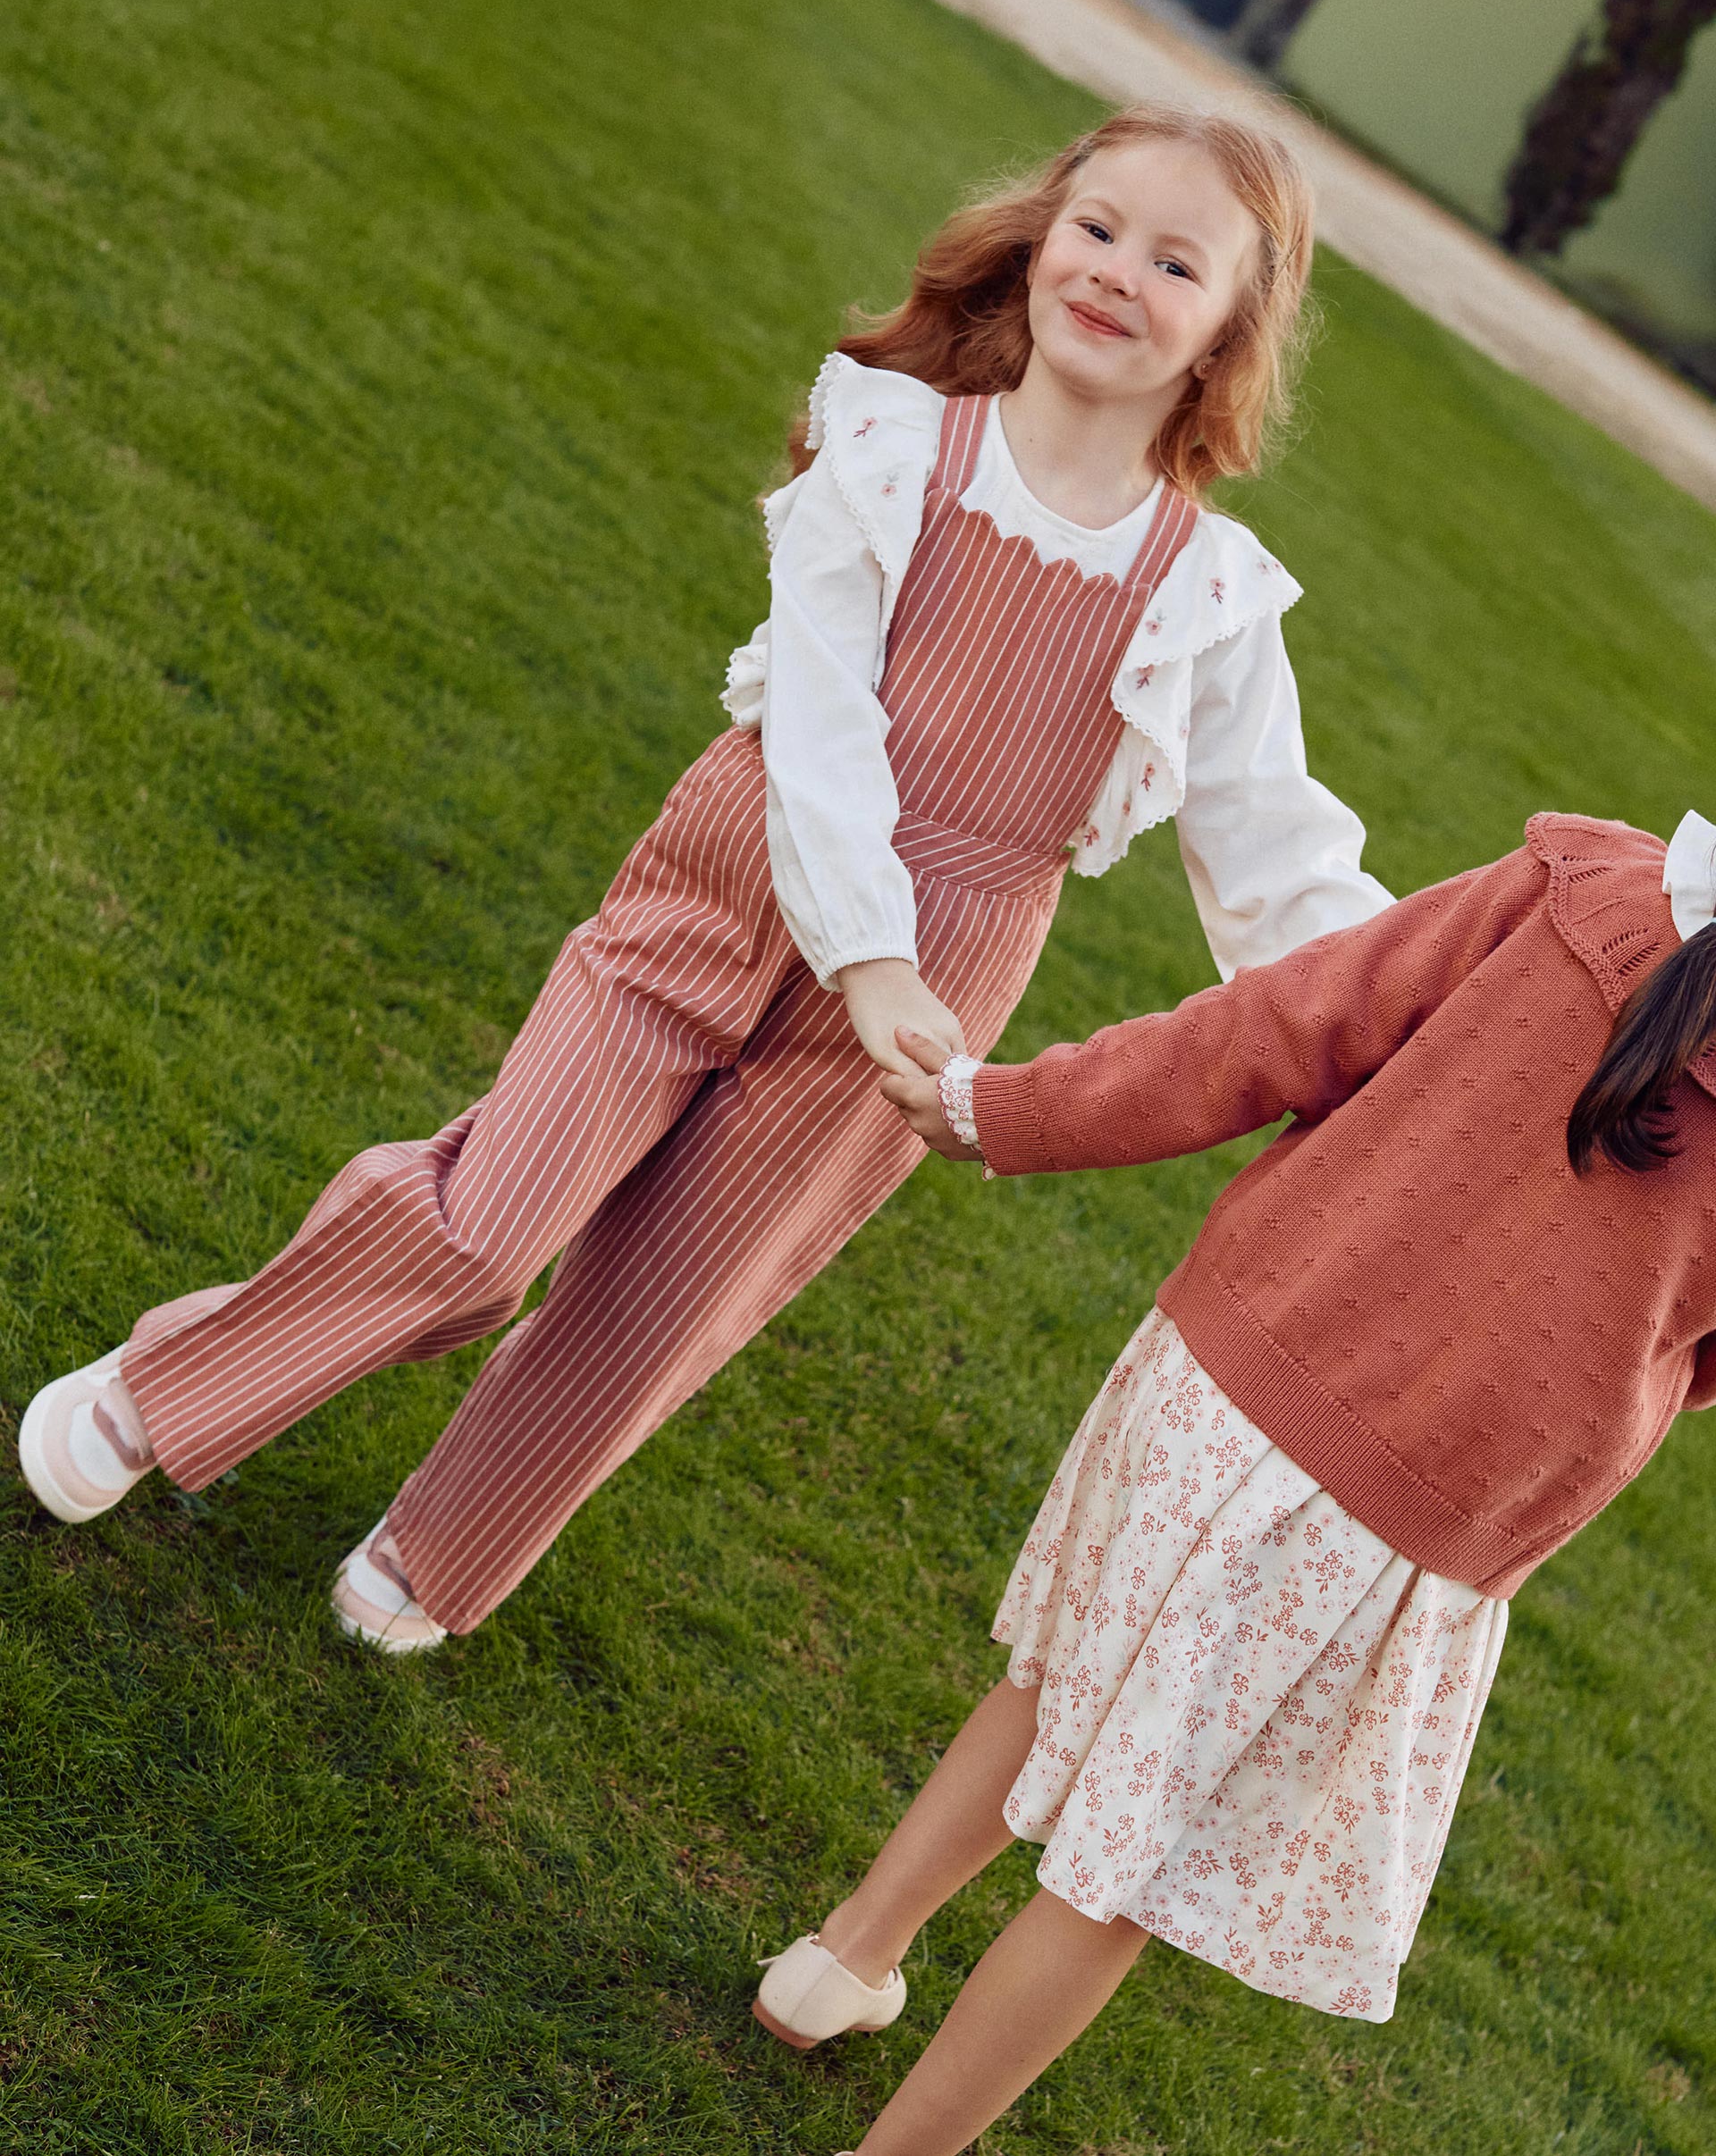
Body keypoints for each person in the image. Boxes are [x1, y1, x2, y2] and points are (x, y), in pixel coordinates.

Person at [20, 105, 1387, 1651]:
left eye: (1175, 261)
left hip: (933, 985)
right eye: (1097, 227)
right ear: (1039, 236)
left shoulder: (1209, 597)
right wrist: (867, 945)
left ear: (1229, 333)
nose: (1117, 272)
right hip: (737, 881)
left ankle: (445, 1542)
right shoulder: (887, 442)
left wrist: (1407, 1021)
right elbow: (817, 720)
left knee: (679, 1288)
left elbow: (1279, 860)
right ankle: (168, 1386)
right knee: (488, 1227)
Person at [752, 808, 1716, 2156]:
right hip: (1393, 1521)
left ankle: (840, 1962)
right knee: (1124, 1876)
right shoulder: (1578, 891)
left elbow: (1274, 1028)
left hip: (1225, 1378)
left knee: (1058, 1684)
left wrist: (1004, 1110)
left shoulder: (1580, 886)